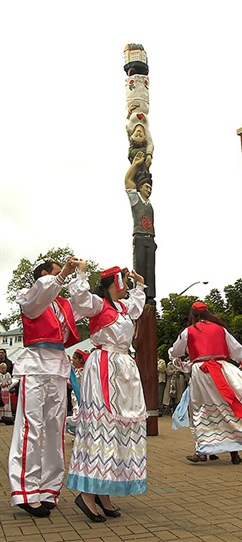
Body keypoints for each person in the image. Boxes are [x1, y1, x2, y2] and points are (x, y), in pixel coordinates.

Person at [66, 261, 147, 523]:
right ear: (115, 283)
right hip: (105, 367)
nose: (126, 284)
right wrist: (80, 271)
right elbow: (78, 297)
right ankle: (87, 493)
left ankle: (104, 491)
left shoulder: (123, 308)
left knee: (120, 428)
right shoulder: (99, 305)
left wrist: (140, 283)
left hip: (122, 368)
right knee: (101, 426)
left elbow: (137, 303)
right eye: (123, 279)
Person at [168, 302, 242, 465]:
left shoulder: (189, 331)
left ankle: (203, 450)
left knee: (203, 410)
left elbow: (175, 351)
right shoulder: (220, 329)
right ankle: (234, 453)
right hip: (223, 369)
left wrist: (174, 356)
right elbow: (236, 349)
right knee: (228, 407)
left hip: (202, 372)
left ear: (192, 315)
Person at [8, 257, 81, 517]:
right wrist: (62, 277)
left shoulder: (63, 304)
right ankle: (27, 491)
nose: (62, 276)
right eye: (57, 273)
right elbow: (41, 296)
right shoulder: (30, 297)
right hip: (36, 366)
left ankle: (49, 488)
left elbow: (84, 305)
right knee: (32, 428)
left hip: (58, 367)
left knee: (54, 429)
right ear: (43, 275)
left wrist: (80, 277)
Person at [125, 152, 156, 305]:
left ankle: (150, 294)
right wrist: (135, 165)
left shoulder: (149, 204)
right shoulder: (136, 198)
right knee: (141, 266)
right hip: (139, 236)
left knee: (151, 267)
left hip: (150, 237)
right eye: (146, 187)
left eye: (150, 187)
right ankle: (140, 292)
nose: (149, 190)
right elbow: (127, 181)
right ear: (140, 188)